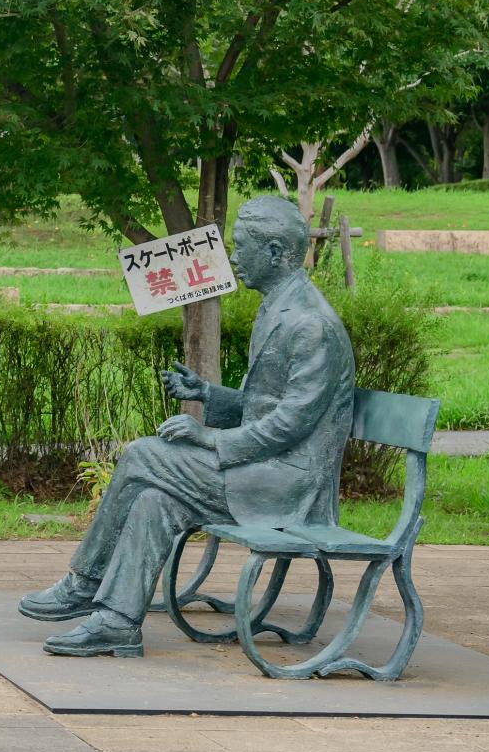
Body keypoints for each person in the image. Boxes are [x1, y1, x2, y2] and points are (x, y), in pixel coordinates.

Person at [19, 195, 355, 657]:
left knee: (143, 455)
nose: (233, 257)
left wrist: (210, 437)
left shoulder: (310, 323)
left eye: (242, 246)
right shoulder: (281, 306)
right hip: (262, 470)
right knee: (156, 499)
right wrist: (209, 396)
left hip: (290, 487)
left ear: (276, 253)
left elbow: (291, 424)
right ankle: (117, 621)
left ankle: (84, 583)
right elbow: (268, 406)